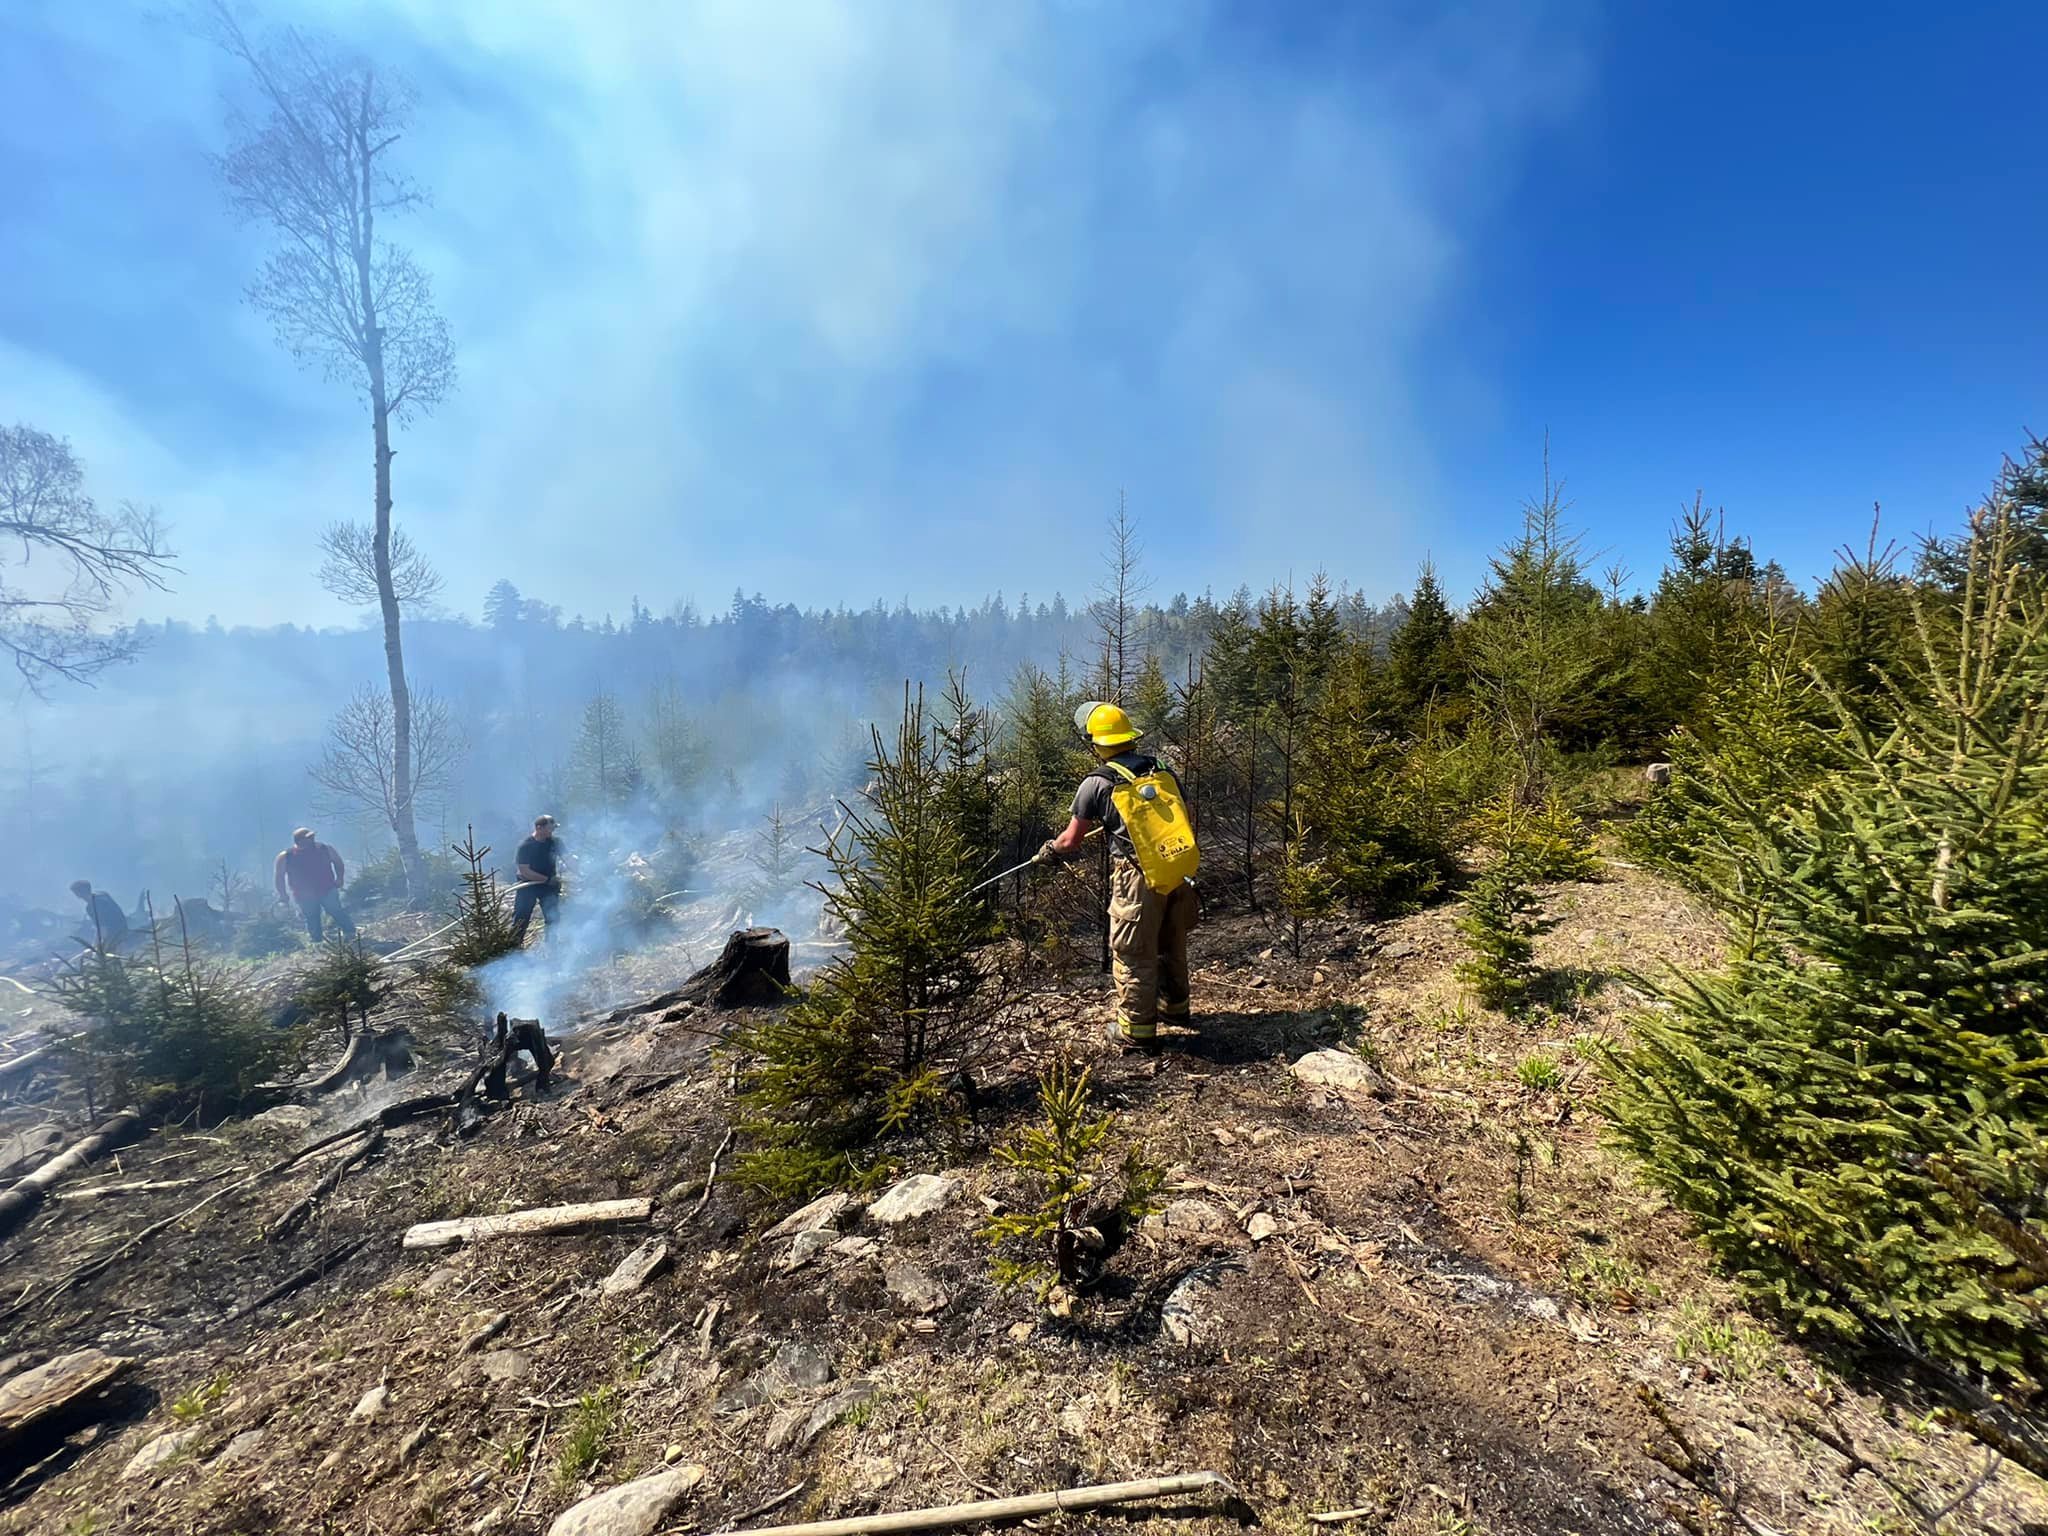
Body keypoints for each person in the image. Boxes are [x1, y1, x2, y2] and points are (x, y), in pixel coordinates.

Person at [1037, 702, 1201, 1051]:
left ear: (1096, 743)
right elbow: (1183, 814)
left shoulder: (1096, 783)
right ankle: (1175, 1008)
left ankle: (1136, 1032)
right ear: (1128, 737)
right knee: (1172, 941)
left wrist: (1049, 850)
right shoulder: (1161, 769)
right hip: (1175, 868)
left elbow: (1071, 840)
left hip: (1136, 877)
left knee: (1134, 950)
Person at [273, 827, 356, 942]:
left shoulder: (325, 849)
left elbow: (338, 862)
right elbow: (279, 877)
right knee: (312, 917)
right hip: (303, 894)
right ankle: (317, 941)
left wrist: (340, 878)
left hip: (327, 888)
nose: (312, 839)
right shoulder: (286, 856)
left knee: (336, 910)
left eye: (312, 837)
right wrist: (283, 894)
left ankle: (350, 933)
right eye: (308, 838)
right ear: (299, 840)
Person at [510, 813, 562, 945]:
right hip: (528, 886)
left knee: (553, 918)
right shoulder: (526, 846)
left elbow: (569, 860)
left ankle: (552, 948)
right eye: (550, 829)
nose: (552, 832)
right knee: (521, 917)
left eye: (553, 829)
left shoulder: (555, 842)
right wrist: (546, 879)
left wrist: (582, 874)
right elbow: (525, 871)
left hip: (548, 887)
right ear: (539, 828)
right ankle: (514, 948)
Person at [68, 879, 129, 953]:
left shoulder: (91, 908)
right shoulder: (103, 894)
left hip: (114, 936)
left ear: (79, 894)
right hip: (124, 928)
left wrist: (93, 946)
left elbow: (102, 929)